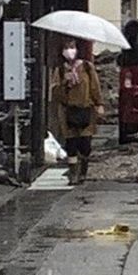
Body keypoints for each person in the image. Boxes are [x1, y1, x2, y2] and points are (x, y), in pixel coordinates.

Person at [50, 39, 104, 185]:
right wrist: (65, 83)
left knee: (85, 143)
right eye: (66, 48)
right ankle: (73, 173)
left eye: (72, 47)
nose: (69, 51)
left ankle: (83, 171)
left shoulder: (87, 67)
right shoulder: (60, 71)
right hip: (67, 111)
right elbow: (55, 93)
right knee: (71, 143)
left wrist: (99, 104)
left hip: (86, 108)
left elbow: (95, 87)